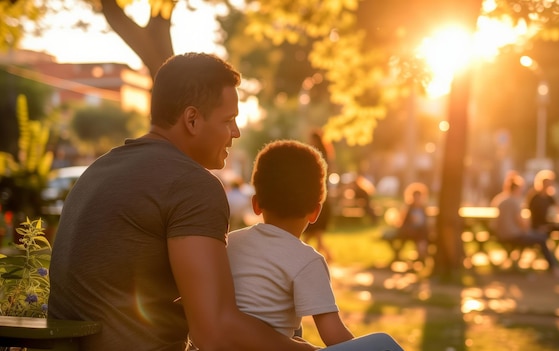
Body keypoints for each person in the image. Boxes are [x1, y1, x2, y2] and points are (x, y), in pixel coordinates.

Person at [48, 53, 318, 351]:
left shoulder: (99, 170)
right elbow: (215, 333)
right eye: (228, 120)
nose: (236, 132)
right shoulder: (193, 185)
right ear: (192, 119)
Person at [224, 140, 404, 351]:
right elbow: (334, 336)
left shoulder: (229, 243)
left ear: (256, 204)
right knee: (383, 344)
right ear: (315, 212)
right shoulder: (306, 260)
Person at [494, 174, 559, 276]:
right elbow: (521, 223)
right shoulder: (514, 202)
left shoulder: (500, 200)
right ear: (517, 188)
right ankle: (553, 268)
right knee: (542, 238)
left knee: (537, 236)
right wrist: (528, 229)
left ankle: (551, 266)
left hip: (500, 234)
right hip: (514, 235)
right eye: (521, 189)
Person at [527, 170, 559, 257]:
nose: (549, 185)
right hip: (537, 226)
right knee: (548, 235)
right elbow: (529, 214)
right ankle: (557, 257)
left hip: (546, 224)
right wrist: (538, 227)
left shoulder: (549, 197)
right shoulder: (534, 197)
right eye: (548, 183)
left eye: (550, 183)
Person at [302, 129, 334, 261]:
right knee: (314, 235)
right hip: (321, 200)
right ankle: (325, 257)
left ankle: (312, 259)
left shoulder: (317, 158)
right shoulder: (325, 156)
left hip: (317, 200)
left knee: (312, 235)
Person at [396, 182, 431, 263]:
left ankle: (421, 255)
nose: (417, 199)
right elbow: (403, 222)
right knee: (421, 235)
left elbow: (425, 222)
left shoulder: (423, 208)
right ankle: (421, 255)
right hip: (410, 231)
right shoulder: (409, 208)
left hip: (421, 231)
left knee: (424, 234)